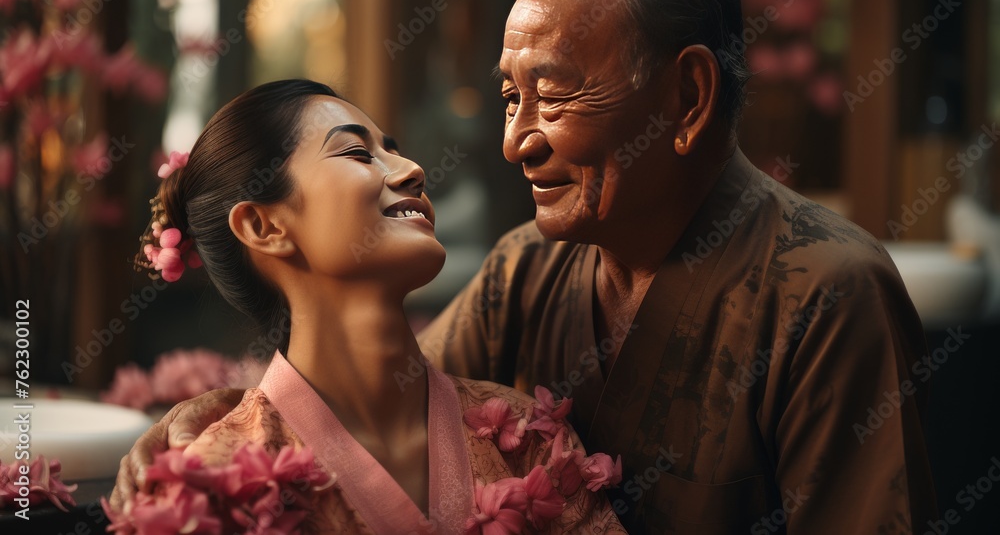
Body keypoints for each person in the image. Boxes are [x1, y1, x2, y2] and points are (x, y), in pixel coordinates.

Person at [113, 0, 937, 534]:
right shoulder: (529, 272)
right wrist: (215, 431)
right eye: (512, 98)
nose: (516, 143)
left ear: (686, 97)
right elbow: (371, 405)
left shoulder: (827, 295)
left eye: (555, 93)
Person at [104, 80, 626, 534]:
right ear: (264, 226)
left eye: (392, 148)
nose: (414, 169)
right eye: (357, 153)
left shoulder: (528, 439)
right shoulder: (217, 484)